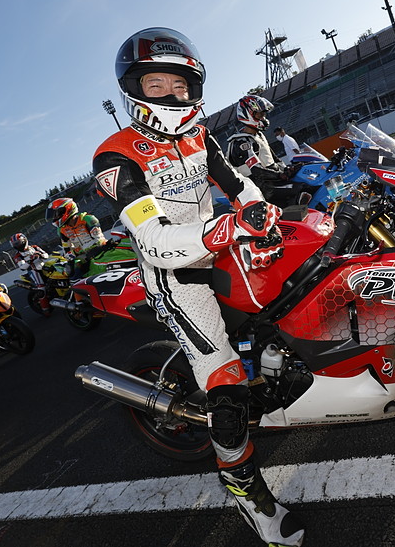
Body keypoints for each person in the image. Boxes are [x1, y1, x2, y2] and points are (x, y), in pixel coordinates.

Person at [92, 27, 303, 547]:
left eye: (179, 84)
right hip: (174, 275)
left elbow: (238, 183)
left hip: (225, 251)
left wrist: (258, 209)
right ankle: (246, 491)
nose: (170, 93)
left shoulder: (200, 135)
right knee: (226, 389)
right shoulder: (114, 156)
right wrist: (229, 226)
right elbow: (154, 240)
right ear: (134, 89)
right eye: (156, 84)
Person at [226, 95, 292, 203]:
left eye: (264, 114)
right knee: (299, 189)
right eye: (260, 114)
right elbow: (256, 170)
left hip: (271, 181)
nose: (263, 118)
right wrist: (280, 175)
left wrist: (286, 169)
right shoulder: (241, 141)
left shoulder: (258, 135)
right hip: (258, 190)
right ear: (247, 115)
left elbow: (274, 158)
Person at [45, 198, 107, 279]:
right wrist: (70, 258)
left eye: (56, 215)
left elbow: (99, 241)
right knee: (71, 271)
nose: (54, 218)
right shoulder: (61, 230)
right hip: (83, 256)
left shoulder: (88, 219)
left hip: (100, 251)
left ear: (67, 210)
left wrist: (78, 251)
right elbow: (67, 250)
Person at [11, 233, 52, 313]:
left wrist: (41, 255)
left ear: (24, 240)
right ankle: (45, 309)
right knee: (41, 288)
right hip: (33, 271)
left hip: (44, 267)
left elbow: (46, 255)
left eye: (19, 242)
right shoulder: (18, 255)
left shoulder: (34, 247)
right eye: (15, 244)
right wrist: (30, 260)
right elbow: (22, 267)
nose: (18, 245)